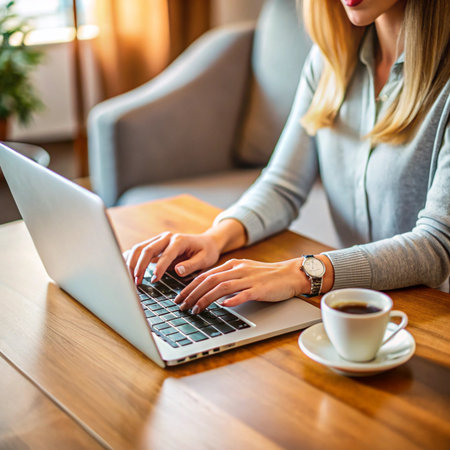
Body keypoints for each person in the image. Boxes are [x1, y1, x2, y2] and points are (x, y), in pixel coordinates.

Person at [126, 0, 450, 314]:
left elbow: (436, 245)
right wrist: (214, 238)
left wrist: (301, 273)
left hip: (435, 312)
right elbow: (283, 185)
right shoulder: (329, 60)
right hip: (356, 307)